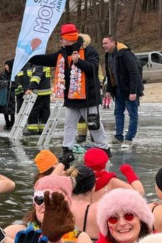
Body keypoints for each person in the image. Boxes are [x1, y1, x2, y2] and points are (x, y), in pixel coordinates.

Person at [28, 25, 108, 155]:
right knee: (69, 124)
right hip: (71, 97)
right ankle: (67, 147)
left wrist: (79, 62)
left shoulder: (89, 51)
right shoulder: (62, 53)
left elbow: (93, 68)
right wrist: (28, 56)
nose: (61, 41)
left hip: (88, 97)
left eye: (63, 39)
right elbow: (46, 59)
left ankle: (104, 147)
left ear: (69, 39)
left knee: (94, 123)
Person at [102, 35, 143, 146]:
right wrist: (109, 89)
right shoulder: (108, 55)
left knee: (132, 114)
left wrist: (133, 91)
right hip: (117, 89)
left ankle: (129, 137)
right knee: (118, 113)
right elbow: (110, 73)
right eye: (103, 43)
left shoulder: (125, 53)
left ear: (113, 42)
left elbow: (134, 72)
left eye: (105, 43)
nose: (103, 46)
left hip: (129, 89)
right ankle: (118, 136)